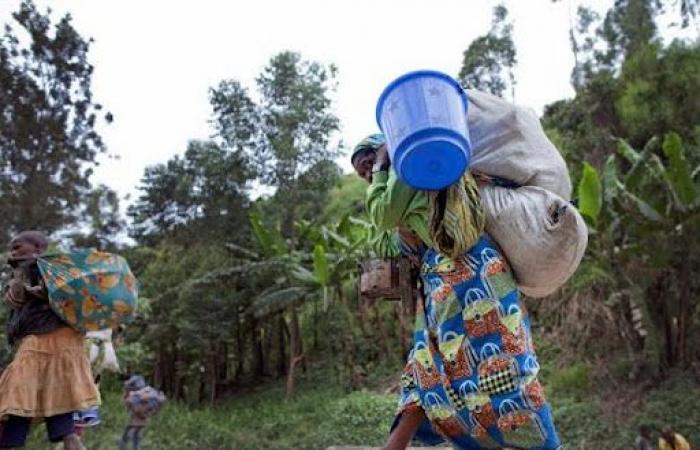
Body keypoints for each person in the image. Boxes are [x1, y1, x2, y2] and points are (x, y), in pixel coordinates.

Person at [352, 135, 560, 449]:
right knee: (425, 371)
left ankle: (542, 443)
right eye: (362, 173)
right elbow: (384, 242)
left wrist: (383, 169)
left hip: (476, 275)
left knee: (504, 367)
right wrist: (393, 214)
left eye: (368, 163)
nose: (369, 174)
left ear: (384, 149)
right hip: (440, 285)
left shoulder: (410, 166)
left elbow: (383, 214)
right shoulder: (396, 194)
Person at [0, 231, 99, 450]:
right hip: (57, 346)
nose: (13, 251)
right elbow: (15, 300)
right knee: (56, 422)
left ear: (37, 248)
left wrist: (31, 276)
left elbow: (38, 296)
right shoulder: (27, 271)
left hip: (49, 343)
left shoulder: (51, 270)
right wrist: (19, 271)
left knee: (16, 401)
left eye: (18, 247)